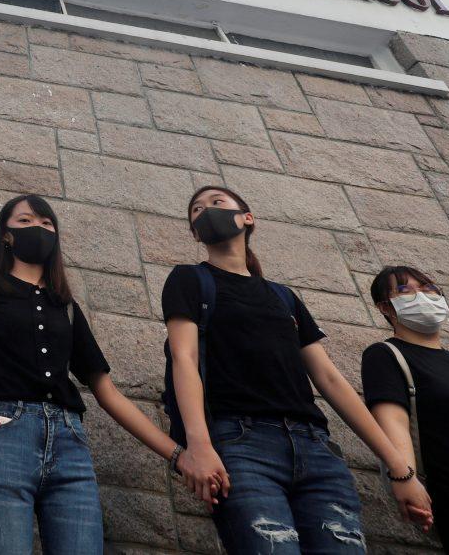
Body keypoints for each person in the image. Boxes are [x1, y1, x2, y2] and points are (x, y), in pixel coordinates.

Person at [0, 194, 198, 555]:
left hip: (71, 443)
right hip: (4, 435)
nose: (37, 229)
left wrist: (178, 455)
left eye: (45, 223)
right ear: (5, 236)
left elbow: (107, 391)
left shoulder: (66, 305)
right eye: (25, 222)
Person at [163, 185, 432, 554]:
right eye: (196, 210)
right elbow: (184, 359)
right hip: (241, 446)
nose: (205, 210)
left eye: (216, 203)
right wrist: (199, 445)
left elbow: (330, 380)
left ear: (248, 218)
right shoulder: (189, 279)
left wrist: (401, 470)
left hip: (317, 450)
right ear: (195, 233)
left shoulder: (283, 297)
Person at [362, 265, 449, 552]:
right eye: (406, 290)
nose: (423, 296)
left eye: (429, 288)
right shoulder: (386, 355)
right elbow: (394, 422)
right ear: (386, 307)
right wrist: (405, 478)